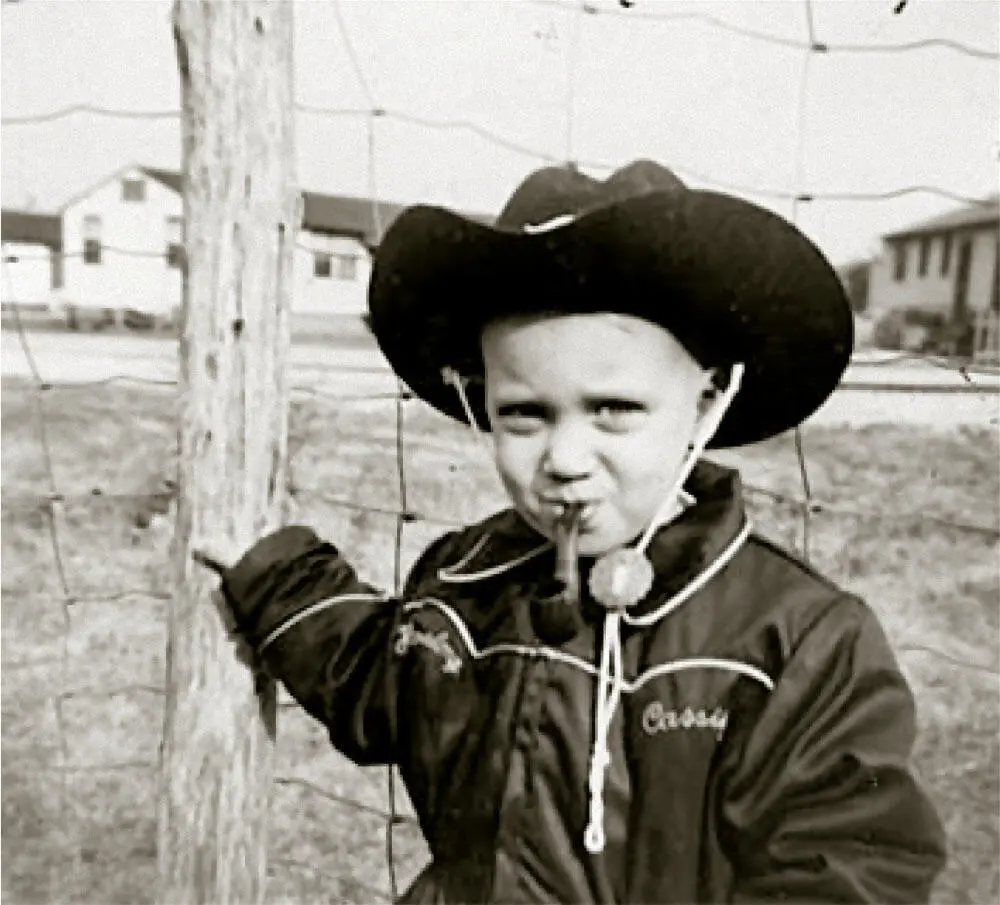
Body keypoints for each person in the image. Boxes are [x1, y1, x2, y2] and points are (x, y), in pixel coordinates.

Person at [197, 160, 946, 903]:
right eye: (524, 412)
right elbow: (375, 671)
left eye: (614, 408)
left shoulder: (797, 644)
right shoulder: (464, 588)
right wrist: (273, 575)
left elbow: (849, 867)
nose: (563, 459)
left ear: (707, 401)